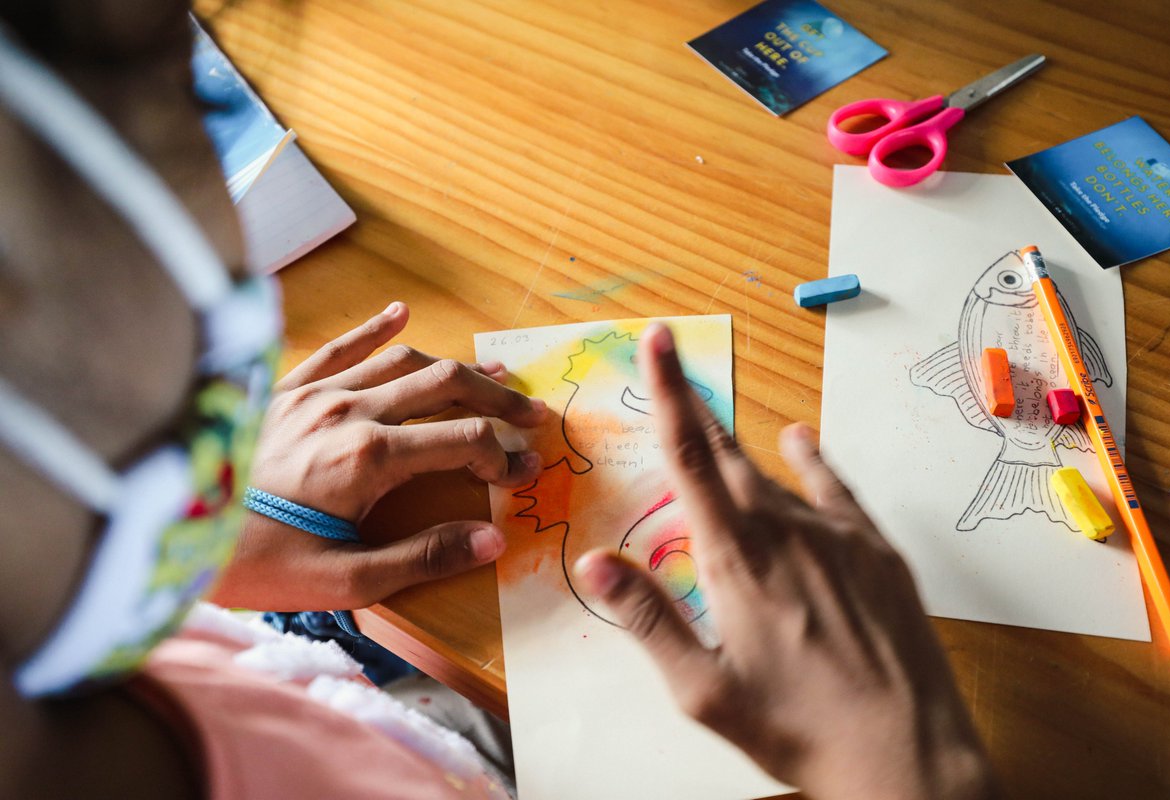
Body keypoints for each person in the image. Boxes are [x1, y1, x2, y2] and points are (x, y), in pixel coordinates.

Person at [0, 2, 998, 798]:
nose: (257, 295)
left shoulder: (106, 640)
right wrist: (909, 773)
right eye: (179, 143)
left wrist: (211, 567)